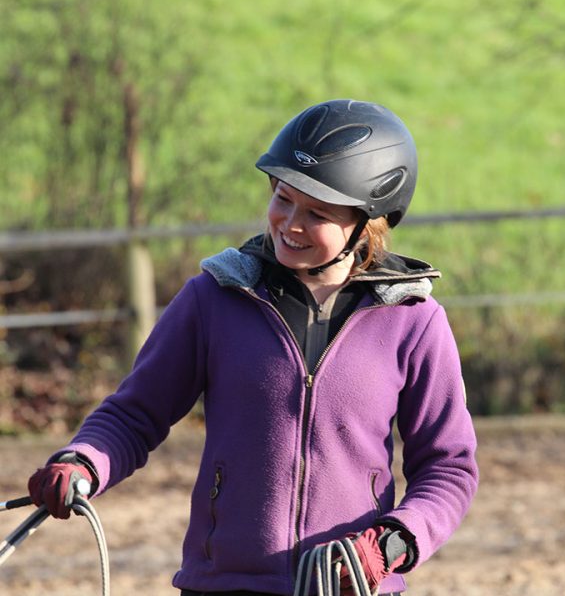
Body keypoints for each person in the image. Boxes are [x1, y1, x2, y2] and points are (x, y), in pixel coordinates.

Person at [28, 99, 479, 595]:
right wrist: (83, 461)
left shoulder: (413, 323)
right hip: (224, 584)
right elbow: (134, 415)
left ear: (366, 224)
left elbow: (448, 468)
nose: (290, 224)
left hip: (352, 586)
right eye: (283, 199)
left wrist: (394, 543)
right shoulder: (214, 299)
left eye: (317, 214)